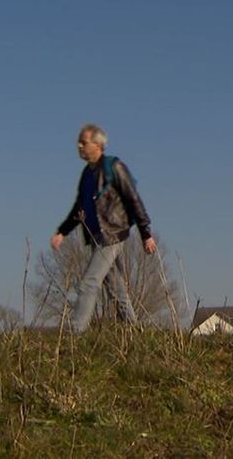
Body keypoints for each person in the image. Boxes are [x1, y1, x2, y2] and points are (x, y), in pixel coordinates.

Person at [51, 124, 156, 332]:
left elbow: (133, 198)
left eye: (84, 142)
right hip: (96, 236)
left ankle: (75, 335)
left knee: (89, 283)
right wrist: (63, 231)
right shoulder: (87, 174)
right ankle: (135, 332)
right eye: (79, 142)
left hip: (112, 234)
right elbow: (79, 207)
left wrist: (146, 234)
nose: (79, 146)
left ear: (98, 144)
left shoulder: (114, 167)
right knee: (115, 288)